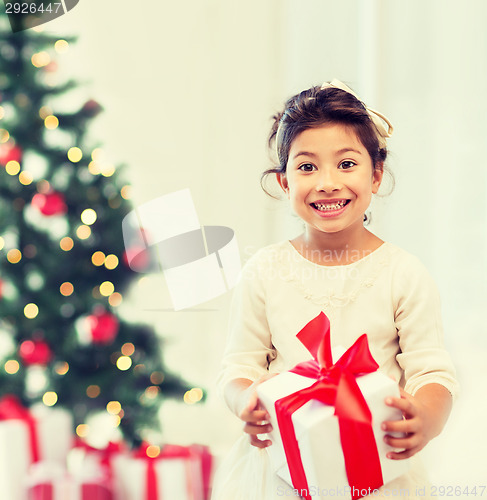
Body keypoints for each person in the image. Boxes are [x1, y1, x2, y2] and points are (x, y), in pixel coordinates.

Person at [211, 80, 458, 500]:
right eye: (307, 167)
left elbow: (431, 373)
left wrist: (426, 417)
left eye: (346, 164)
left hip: (376, 470)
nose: (327, 183)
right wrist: (245, 400)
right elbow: (239, 366)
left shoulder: (403, 273)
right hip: (281, 471)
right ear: (284, 183)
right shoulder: (265, 270)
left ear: (376, 174)